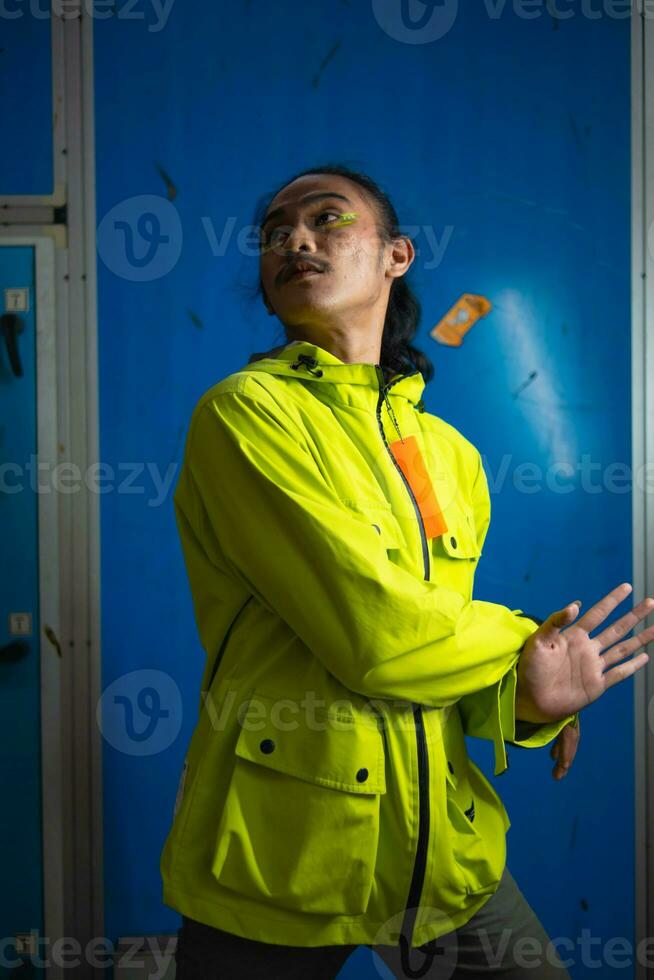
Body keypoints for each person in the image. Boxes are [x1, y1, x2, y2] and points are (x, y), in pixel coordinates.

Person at [162, 164, 653, 979]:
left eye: (328, 219)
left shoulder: (451, 456)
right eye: (275, 233)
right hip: (279, 849)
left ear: (397, 256)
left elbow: (434, 649)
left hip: (438, 838)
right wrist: (524, 639)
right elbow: (377, 636)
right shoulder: (246, 413)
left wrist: (524, 698)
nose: (296, 239)